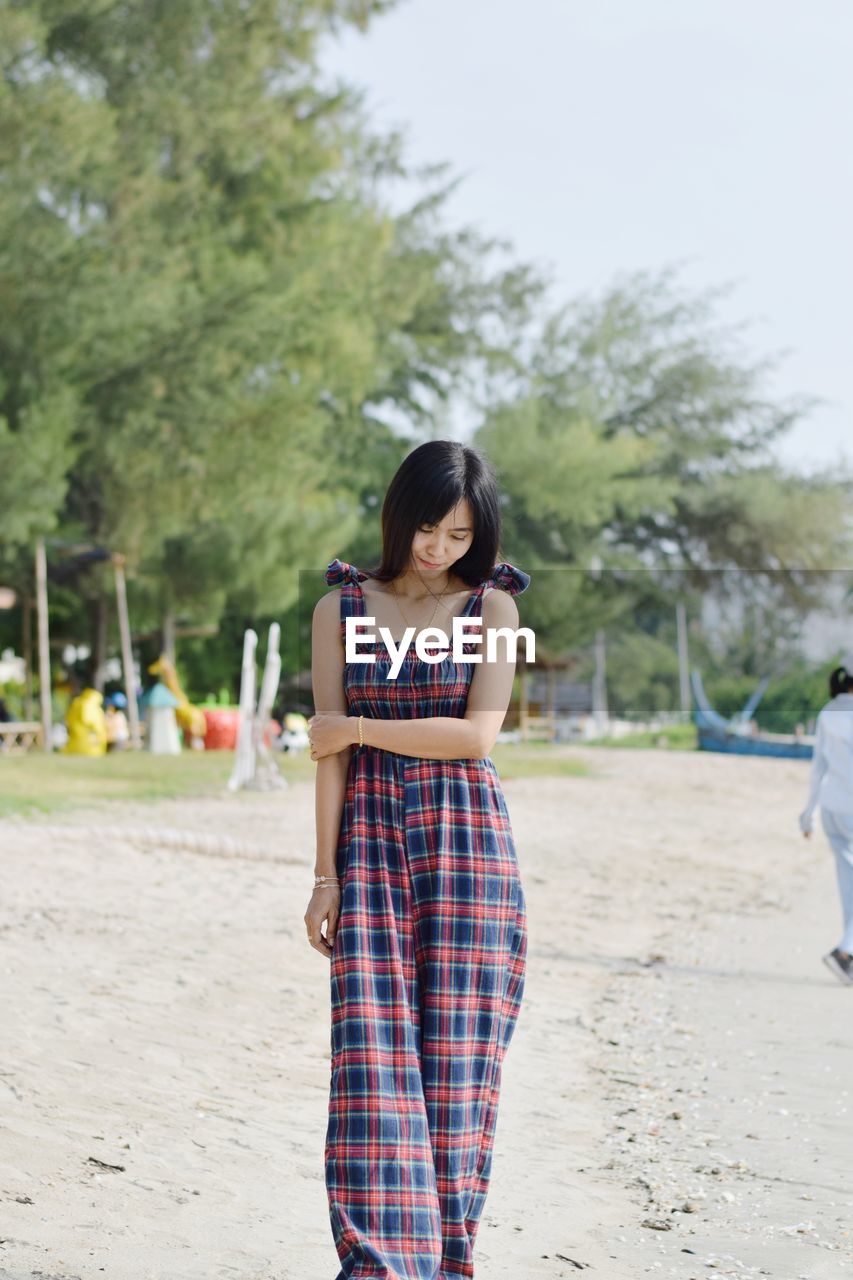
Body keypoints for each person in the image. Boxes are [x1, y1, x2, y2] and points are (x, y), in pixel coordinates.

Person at [306, 439, 530, 1279]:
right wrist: (322, 877)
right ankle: (377, 1263)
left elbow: (476, 736)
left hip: (467, 851)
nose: (439, 549)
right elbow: (325, 757)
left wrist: (361, 729)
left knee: (457, 1063)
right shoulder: (341, 609)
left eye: (459, 535)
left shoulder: (496, 613)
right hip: (366, 847)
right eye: (428, 528)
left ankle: (446, 1259)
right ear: (398, 515)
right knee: (368, 1058)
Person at [799, 662, 853, 985]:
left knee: (849, 886)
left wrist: (808, 815)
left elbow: (817, 767)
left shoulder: (828, 713)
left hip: (833, 808)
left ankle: (848, 956)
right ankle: (844, 950)